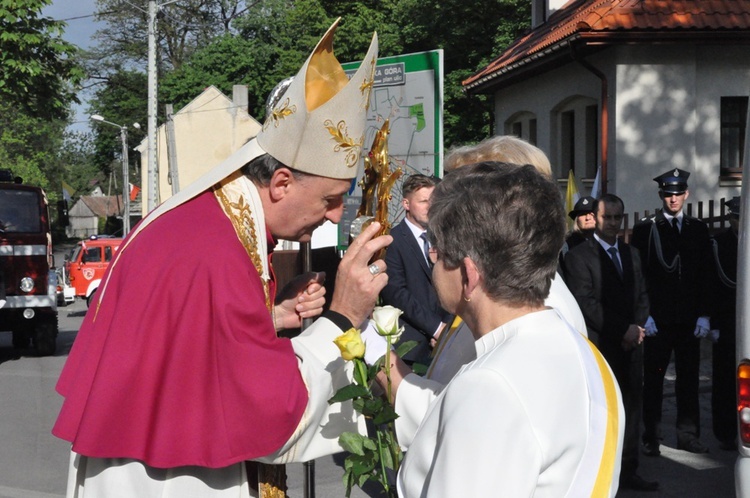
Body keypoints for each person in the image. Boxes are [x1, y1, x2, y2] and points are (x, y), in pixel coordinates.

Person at [52, 20, 388, 496]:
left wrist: (269, 316)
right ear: (282, 183)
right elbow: (269, 415)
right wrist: (343, 317)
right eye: (330, 199)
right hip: (173, 477)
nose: (335, 217)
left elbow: (197, 340)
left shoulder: (210, 223)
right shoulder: (214, 248)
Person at [393, 162, 624, 497]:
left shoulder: (489, 384)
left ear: (469, 275)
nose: (433, 261)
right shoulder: (584, 351)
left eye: (439, 252)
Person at [362, 135, 588, 448]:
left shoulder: (528, 308)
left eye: (466, 197)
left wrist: (377, 355)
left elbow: (465, 429)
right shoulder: (503, 290)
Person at [564, 193, 658, 492]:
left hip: (633, 345)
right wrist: (623, 330)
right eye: (608, 218)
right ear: (596, 217)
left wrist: (639, 326)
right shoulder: (579, 257)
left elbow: (643, 293)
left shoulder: (631, 254)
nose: (614, 224)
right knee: (604, 411)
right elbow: (586, 302)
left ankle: (629, 470)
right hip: (602, 344)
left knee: (632, 407)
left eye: (619, 218)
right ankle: (603, 474)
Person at [631, 168, 712, 456]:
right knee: (653, 378)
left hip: (689, 318)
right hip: (658, 320)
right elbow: (639, 274)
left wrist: (704, 313)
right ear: (661, 196)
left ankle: (688, 435)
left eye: (678, 194)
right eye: (668, 194)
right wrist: (645, 314)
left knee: (688, 380)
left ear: (686, 194)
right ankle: (650, 435)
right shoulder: (646, 229)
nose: (673, 199)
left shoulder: (697, 229)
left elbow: (705, 274)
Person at [380, 174, 453, 365]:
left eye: (433, 201)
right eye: (423, 201)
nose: (430, 207)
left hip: (446, 341)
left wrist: (448, 328)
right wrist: (436, 328)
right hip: (412, 347)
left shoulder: (443, 238)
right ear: (406, 204)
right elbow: (396, 293)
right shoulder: (393, 241)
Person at [709, 196, 740, 450]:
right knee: (724, 379)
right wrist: (712, 321)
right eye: (736, 217)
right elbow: (711, 284)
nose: (740, 222)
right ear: (730, 218)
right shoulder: (718, 244)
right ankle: (725, 432)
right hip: (726, 319)